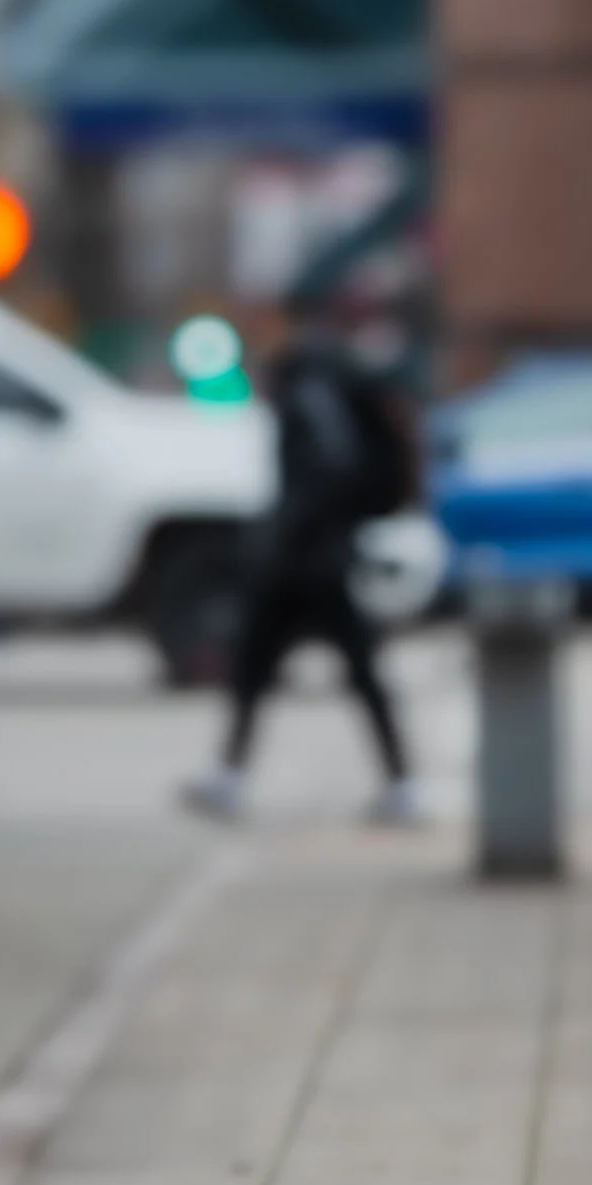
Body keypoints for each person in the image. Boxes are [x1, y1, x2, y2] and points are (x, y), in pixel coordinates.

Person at [183, 324, 420, 824]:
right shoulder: (325, 382)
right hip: (317, 557)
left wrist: (287, 530)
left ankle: (400, 784)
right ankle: (400, 783)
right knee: (277, 667)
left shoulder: (306, 390)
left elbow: (329, 463)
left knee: (293, 668)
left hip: (306, 562)